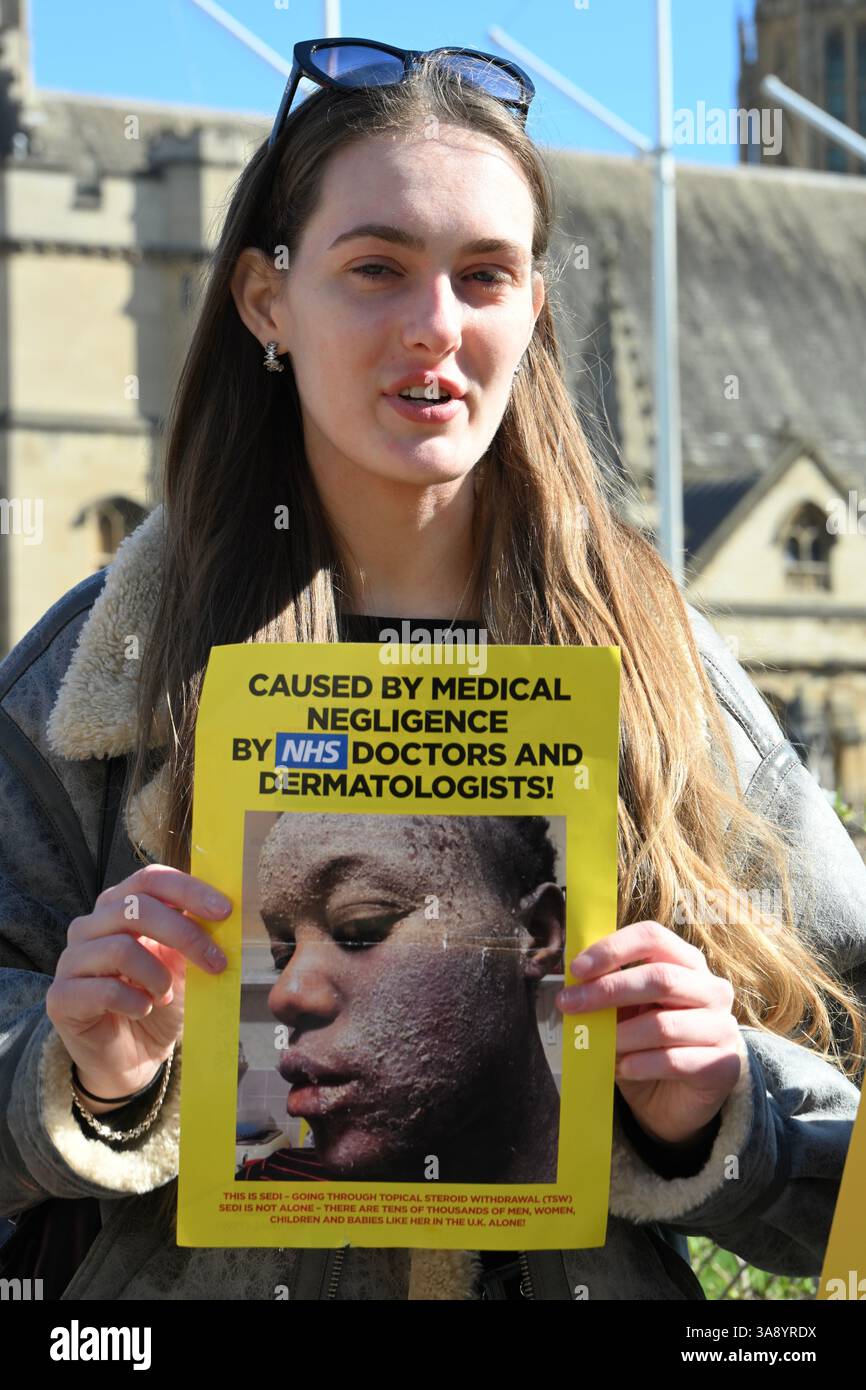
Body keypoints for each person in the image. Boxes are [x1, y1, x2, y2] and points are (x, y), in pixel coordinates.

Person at [1, 36, 865, 1301]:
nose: (433, 328)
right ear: (264, 300)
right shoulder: (106, 662)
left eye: (483, 275)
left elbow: (841, 1090)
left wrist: (721, 1113)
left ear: (532, 305)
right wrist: (77, 1072)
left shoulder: (660, 664)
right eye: (374, 269)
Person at [237, 812, 564, 1184]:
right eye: (284, 957)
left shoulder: (620, 1215)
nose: (284, 995)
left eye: (361, 927)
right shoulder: (271, 1201)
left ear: (533, 935)